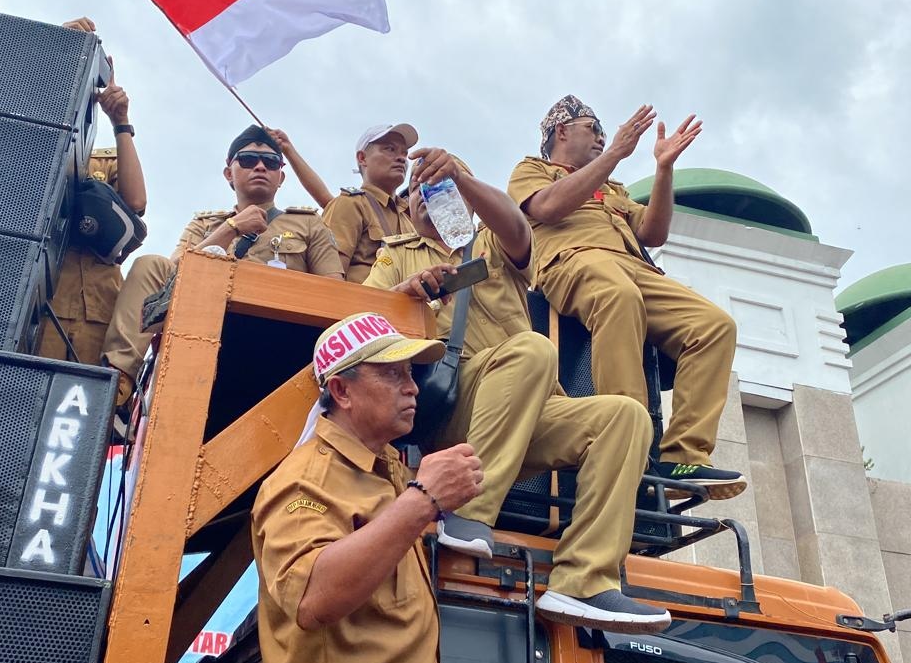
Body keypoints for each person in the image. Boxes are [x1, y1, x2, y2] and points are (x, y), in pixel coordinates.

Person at [364, 149, 670, 633]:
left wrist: (462, 176)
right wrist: (408, 292)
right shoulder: (397, 251)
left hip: (528, 411)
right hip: (455, 408)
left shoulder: (489, 240)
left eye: (438, 185)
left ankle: (584, 580)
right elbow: (366, 324)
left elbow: (519, 229)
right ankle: (466, 513)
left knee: (626, 416)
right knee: (532, 350)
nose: (428, 195)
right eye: (418, 189)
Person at [507, 95, 744, 498]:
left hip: (634, 268)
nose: (601, 137)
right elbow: (546, 207)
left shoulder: (611, 187)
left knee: (714, 326)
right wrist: (616, 153)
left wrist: (663, 169)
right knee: (618, 297)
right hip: (573, 261)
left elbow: (652, 233)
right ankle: (630, 441)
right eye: (592, 129)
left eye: (603, 132)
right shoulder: (533, 169)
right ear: (561, 132)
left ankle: (683, 456)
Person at [252, 312, 482, 663]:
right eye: (392, 373)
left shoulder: (386, 463)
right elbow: (312, 598)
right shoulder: (304, 480)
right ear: (342, 391)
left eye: (409, 372)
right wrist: (423, 500)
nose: (413, 387)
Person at [100, 126, 342, 403]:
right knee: (151, 265)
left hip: (274, 332)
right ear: (229, 173)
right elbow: (169, 277)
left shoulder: (308, 223)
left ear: (281, 177)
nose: (261, 167)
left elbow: (333, 290)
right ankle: (115, 384)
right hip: (201, 326)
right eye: (249, 160)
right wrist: (230, 228)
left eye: (271, 162)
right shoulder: (205, 224)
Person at [38, 17, 146, 364]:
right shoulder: (39, 145)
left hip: (96, 311)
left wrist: (120, 122)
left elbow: (136, 203)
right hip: (39, 302)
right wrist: (57, 51)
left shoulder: (103, 160)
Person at [322, 124, 419, 283]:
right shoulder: (350, 204)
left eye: (404, 153)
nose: (402, 158)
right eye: (390, 149)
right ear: (362, 158)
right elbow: (330, 278)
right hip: (361, 306)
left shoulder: (409, 218)